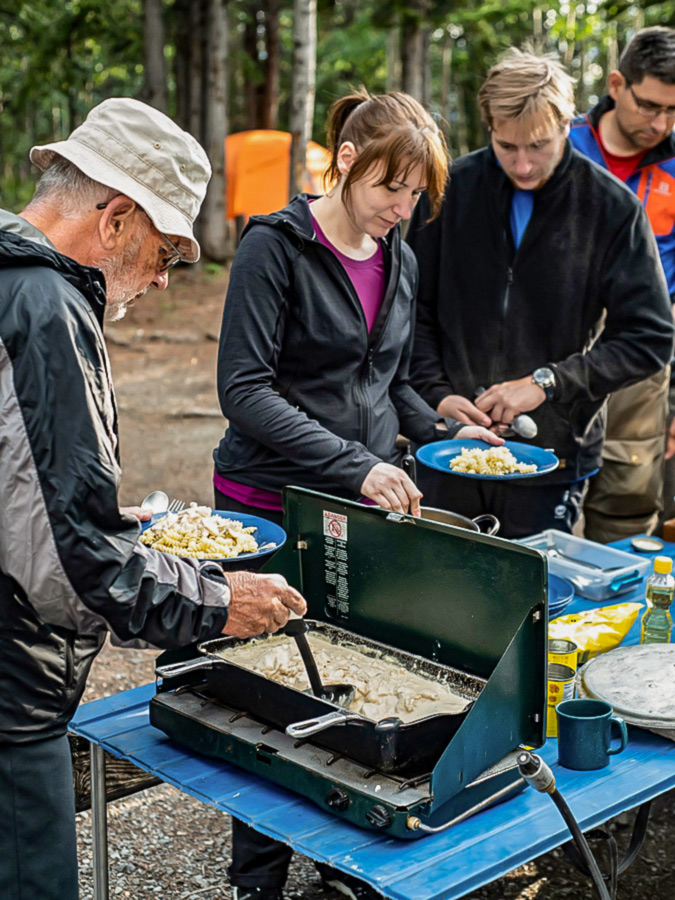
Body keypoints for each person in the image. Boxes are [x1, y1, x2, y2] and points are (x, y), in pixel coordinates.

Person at [0, 98, 306, 900]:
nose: (164, 280)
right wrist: (217, 602)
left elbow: (26, 501)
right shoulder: (47, 308)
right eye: (164, 252)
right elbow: (70, 567)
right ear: (115, 221)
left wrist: (100, 519)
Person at [212, 89, 500, 900]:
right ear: (344, 161)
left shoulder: (398, 258)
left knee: (354, 683)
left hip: (355, 502)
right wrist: (355, 463)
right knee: (266, 693)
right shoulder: (274, 246)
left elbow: (391, 381)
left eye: (414, 195)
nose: (401, 209)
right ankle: (257, 880)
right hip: (268, 499)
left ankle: (340, 866)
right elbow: (245, 390)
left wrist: (444, 425)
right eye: (389, 189)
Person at [407, 49, 674, 540]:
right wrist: (436, 395)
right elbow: (411, 309)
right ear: (488, 125)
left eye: (539, 145)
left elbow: (650, 338)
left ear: (566, 124)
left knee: (529, 601)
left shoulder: (613, 208)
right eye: (506, 146)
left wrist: (548, 383)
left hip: (554, 450)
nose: (524, 164)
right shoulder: (449, 189)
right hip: (447, 445)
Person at [569, 26, 675, 541]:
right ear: (616, 84)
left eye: (673, 112)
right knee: (538, 478)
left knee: (630, 495)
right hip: (556, 343)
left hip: (645, 349)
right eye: (650, 106)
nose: (660, 123)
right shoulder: (556, 146)